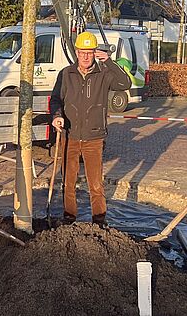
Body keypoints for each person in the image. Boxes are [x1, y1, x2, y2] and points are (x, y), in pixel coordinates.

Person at [49, 31, 132, 227]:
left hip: (94, 137)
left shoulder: (104, 74)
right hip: (70, 136)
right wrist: (57, 116)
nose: (86, 56)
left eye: (90, 52)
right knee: (68, 182)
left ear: (95, 53)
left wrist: (110, 62)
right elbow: (55, 100)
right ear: (76, 52)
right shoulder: (66, 74)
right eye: (82, 52)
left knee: (95, 184)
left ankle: (99, 221)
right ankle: (69, 218)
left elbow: (125, 83)